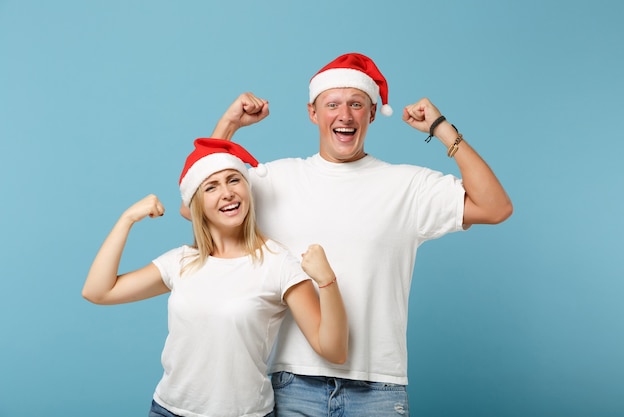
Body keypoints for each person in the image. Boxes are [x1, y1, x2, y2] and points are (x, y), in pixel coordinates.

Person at [189, 52, 513, 416]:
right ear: (313, 113)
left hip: (378, 387)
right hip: (294, 382)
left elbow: (495, 207)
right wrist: (228, 125)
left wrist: (441, 128)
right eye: (333, 104)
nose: (345, 115)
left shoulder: (406, 185)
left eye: (356, 104)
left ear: (372, 114)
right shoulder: (276, 179)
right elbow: (197, 205)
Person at [82, 139, 348, 417]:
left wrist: (327, 281)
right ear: (197, 203)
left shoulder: (278, 263)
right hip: (168, 411)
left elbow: (334, 350)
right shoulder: (182, 262)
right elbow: (98, 292)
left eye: (234, 180)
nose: (227, 193)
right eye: (211, 186)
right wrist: (126, 219)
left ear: (247, 187)